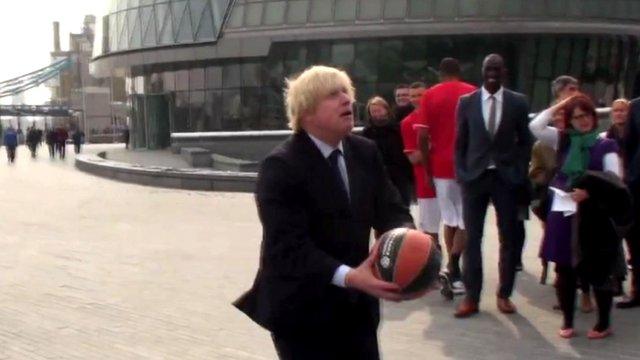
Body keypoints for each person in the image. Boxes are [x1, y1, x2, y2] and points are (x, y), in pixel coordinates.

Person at [234, 65, 426, 359]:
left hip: (356, 309)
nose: (346, 100)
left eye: (347, 93)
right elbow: (288, 247)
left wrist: (407, 245)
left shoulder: (365, 152)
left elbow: (391, 209)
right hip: (302, 310)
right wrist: (350, 276)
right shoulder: (281, 166)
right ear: (306, 111)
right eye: (332, 95)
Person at [530, 94, 629, 339]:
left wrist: (590, 193)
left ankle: (603, 323)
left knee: (597, 270)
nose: (582, 121)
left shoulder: (605, 145)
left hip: (593, 216)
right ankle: (567, 320)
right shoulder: (563, 140)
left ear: (594, 117)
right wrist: (563, 104)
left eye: (586, 115)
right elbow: (536, 126)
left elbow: (616, 182)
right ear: (570, 120)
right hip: (563, 213)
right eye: (576, 117)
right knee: (564, 269)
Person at [454, 54, 533, 318]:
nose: (493, 74)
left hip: (506, 178)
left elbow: (525, 140)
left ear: (504, 72)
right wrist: (462, 173)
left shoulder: (517, 102)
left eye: (497, 70)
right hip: (474, 177)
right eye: (489, 69)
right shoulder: (466, 102)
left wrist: (519, 170)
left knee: (508, 238)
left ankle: (504, 294)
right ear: (482, 71)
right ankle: (471, 296)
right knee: (472, 238)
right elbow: (460, 142)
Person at [417, 58, 476, 294]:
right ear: (458, 72)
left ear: (439, 74)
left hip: (440, 166)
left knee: (450, 219)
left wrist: (428, 170)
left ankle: (454, 268)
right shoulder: (472, 92)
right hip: (468, 164)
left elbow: (422, 136)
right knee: (466, 220)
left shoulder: (430, 95)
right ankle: (454, 266)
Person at [529, 75, 580, 285]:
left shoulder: (587, 132)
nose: (575, 92)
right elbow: (536, 126)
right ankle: (563, 276)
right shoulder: (554, 138)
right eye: (570, 89)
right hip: (556, 192)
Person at [399, 82, 441, 254]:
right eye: (413, 95)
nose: (417, 99)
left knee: (458, 225)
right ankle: (433, 266)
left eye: (420, 95)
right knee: (430, 231)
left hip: (450, 177)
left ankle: (454, 266)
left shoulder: (441, 117)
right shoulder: (407, 123)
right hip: (426, 184)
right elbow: (413, 158)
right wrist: (429, 143)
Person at [362, 96, 415, 208]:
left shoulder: (397, 129)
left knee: (403, 206)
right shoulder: (367, 133)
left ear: (386, 110)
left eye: (379, 110)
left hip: (399, 174)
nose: (377, 114)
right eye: (373, 111)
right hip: (379, 175)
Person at [620, 95, 640, 309]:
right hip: (637, 182)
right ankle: (637, 290)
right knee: (635, 237)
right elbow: (628, 145)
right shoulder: (635, 106)